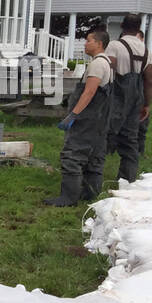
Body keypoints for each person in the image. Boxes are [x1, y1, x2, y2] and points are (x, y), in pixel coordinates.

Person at [47, 29, 113, 206]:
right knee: (94, 157)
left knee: (72, 155)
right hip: (99, 120)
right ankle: (90, 193)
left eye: (89, 40)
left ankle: (68, 197)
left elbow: (90, 91)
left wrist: (73, 114)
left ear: (99, 44)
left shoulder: (98, 64)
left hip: (87, 120)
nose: (85, 44)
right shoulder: (106, 63)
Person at [104, 14, 152, 183]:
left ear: (122, 26)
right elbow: (148, 81)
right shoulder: (145, 50)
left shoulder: (115, 45)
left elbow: (108, 70)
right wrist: (146, 104)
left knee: (105, 132)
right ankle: (127, 179)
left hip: (116, 96)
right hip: (136, 99)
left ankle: (92, 172)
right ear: (139, 28)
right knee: (130, 138)